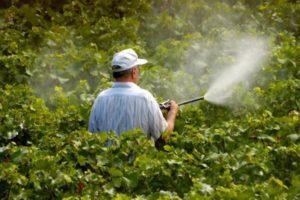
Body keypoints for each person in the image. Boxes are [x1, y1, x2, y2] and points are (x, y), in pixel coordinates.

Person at [88, 48, 178, 147]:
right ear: (134, 72)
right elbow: (163, 138)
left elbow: (92, 138)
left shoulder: (100, 98)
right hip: (138, 162)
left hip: (107, 161)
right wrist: (172, 112)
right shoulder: (145, 97)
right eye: (138, 68)